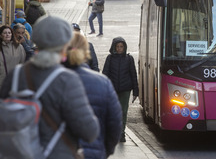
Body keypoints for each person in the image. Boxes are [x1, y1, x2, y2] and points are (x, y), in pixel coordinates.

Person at [0, 15, 100, 158]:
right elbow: (89, 131)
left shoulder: (16, 75)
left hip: (18, 152)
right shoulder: (68, 80)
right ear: (65, 44)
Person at [63, 32, 123, 158]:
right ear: (87, 53)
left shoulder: (53, 80)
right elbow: (115, 123)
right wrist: (106, 150)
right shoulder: (103, 83)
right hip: (94, 152)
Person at [102, 37, 139, 142]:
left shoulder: (129, 59)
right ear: (114, 47)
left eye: (121, 47)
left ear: (124, 47)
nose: (119, 49)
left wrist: (136, 91)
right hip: (112, 90)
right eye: (117, 47)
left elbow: (133, 75)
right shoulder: (110, 58)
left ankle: (121, 133)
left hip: (125, 90)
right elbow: (105, 74)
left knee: (123, 111)